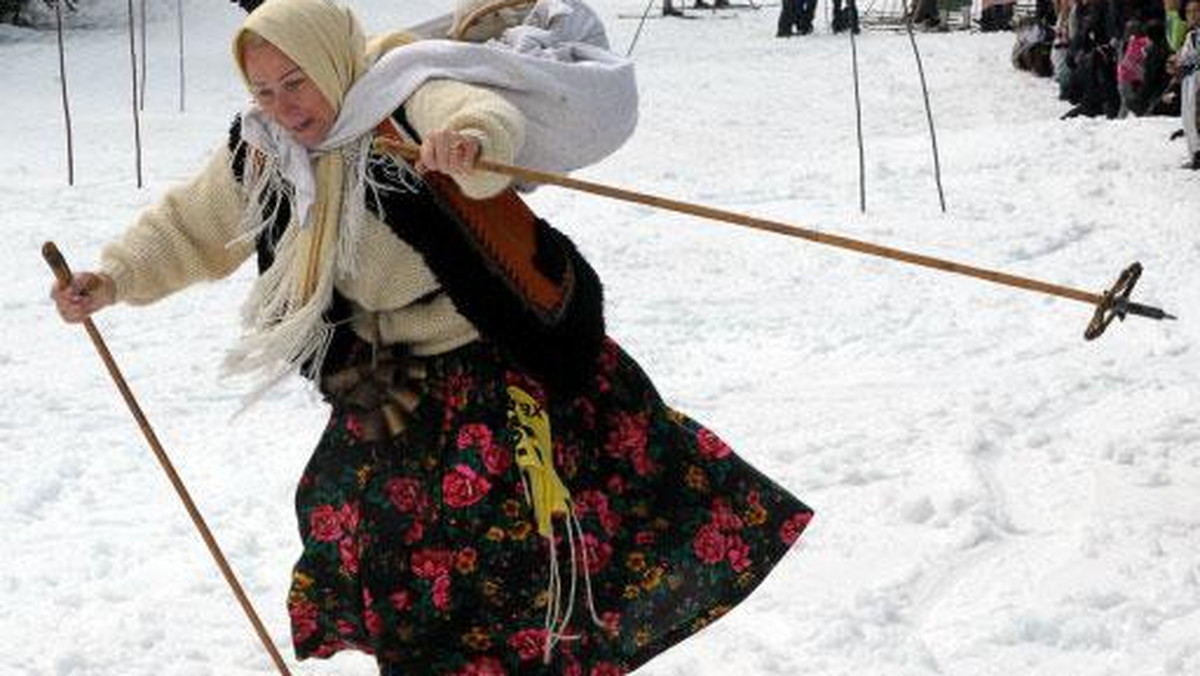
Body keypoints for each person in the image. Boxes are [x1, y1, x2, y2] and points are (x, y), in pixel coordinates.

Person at [50, 0, 814, 674]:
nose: (283, 105)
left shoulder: (403, 96)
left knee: (510, 542)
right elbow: (193, 224)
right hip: (388, 378)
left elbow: (476, 116)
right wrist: (111, 279)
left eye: (296, 82)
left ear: (329, 62)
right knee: (360, 522)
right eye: (265, 89)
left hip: (492, 359)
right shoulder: (266, 150)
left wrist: (468, 143)